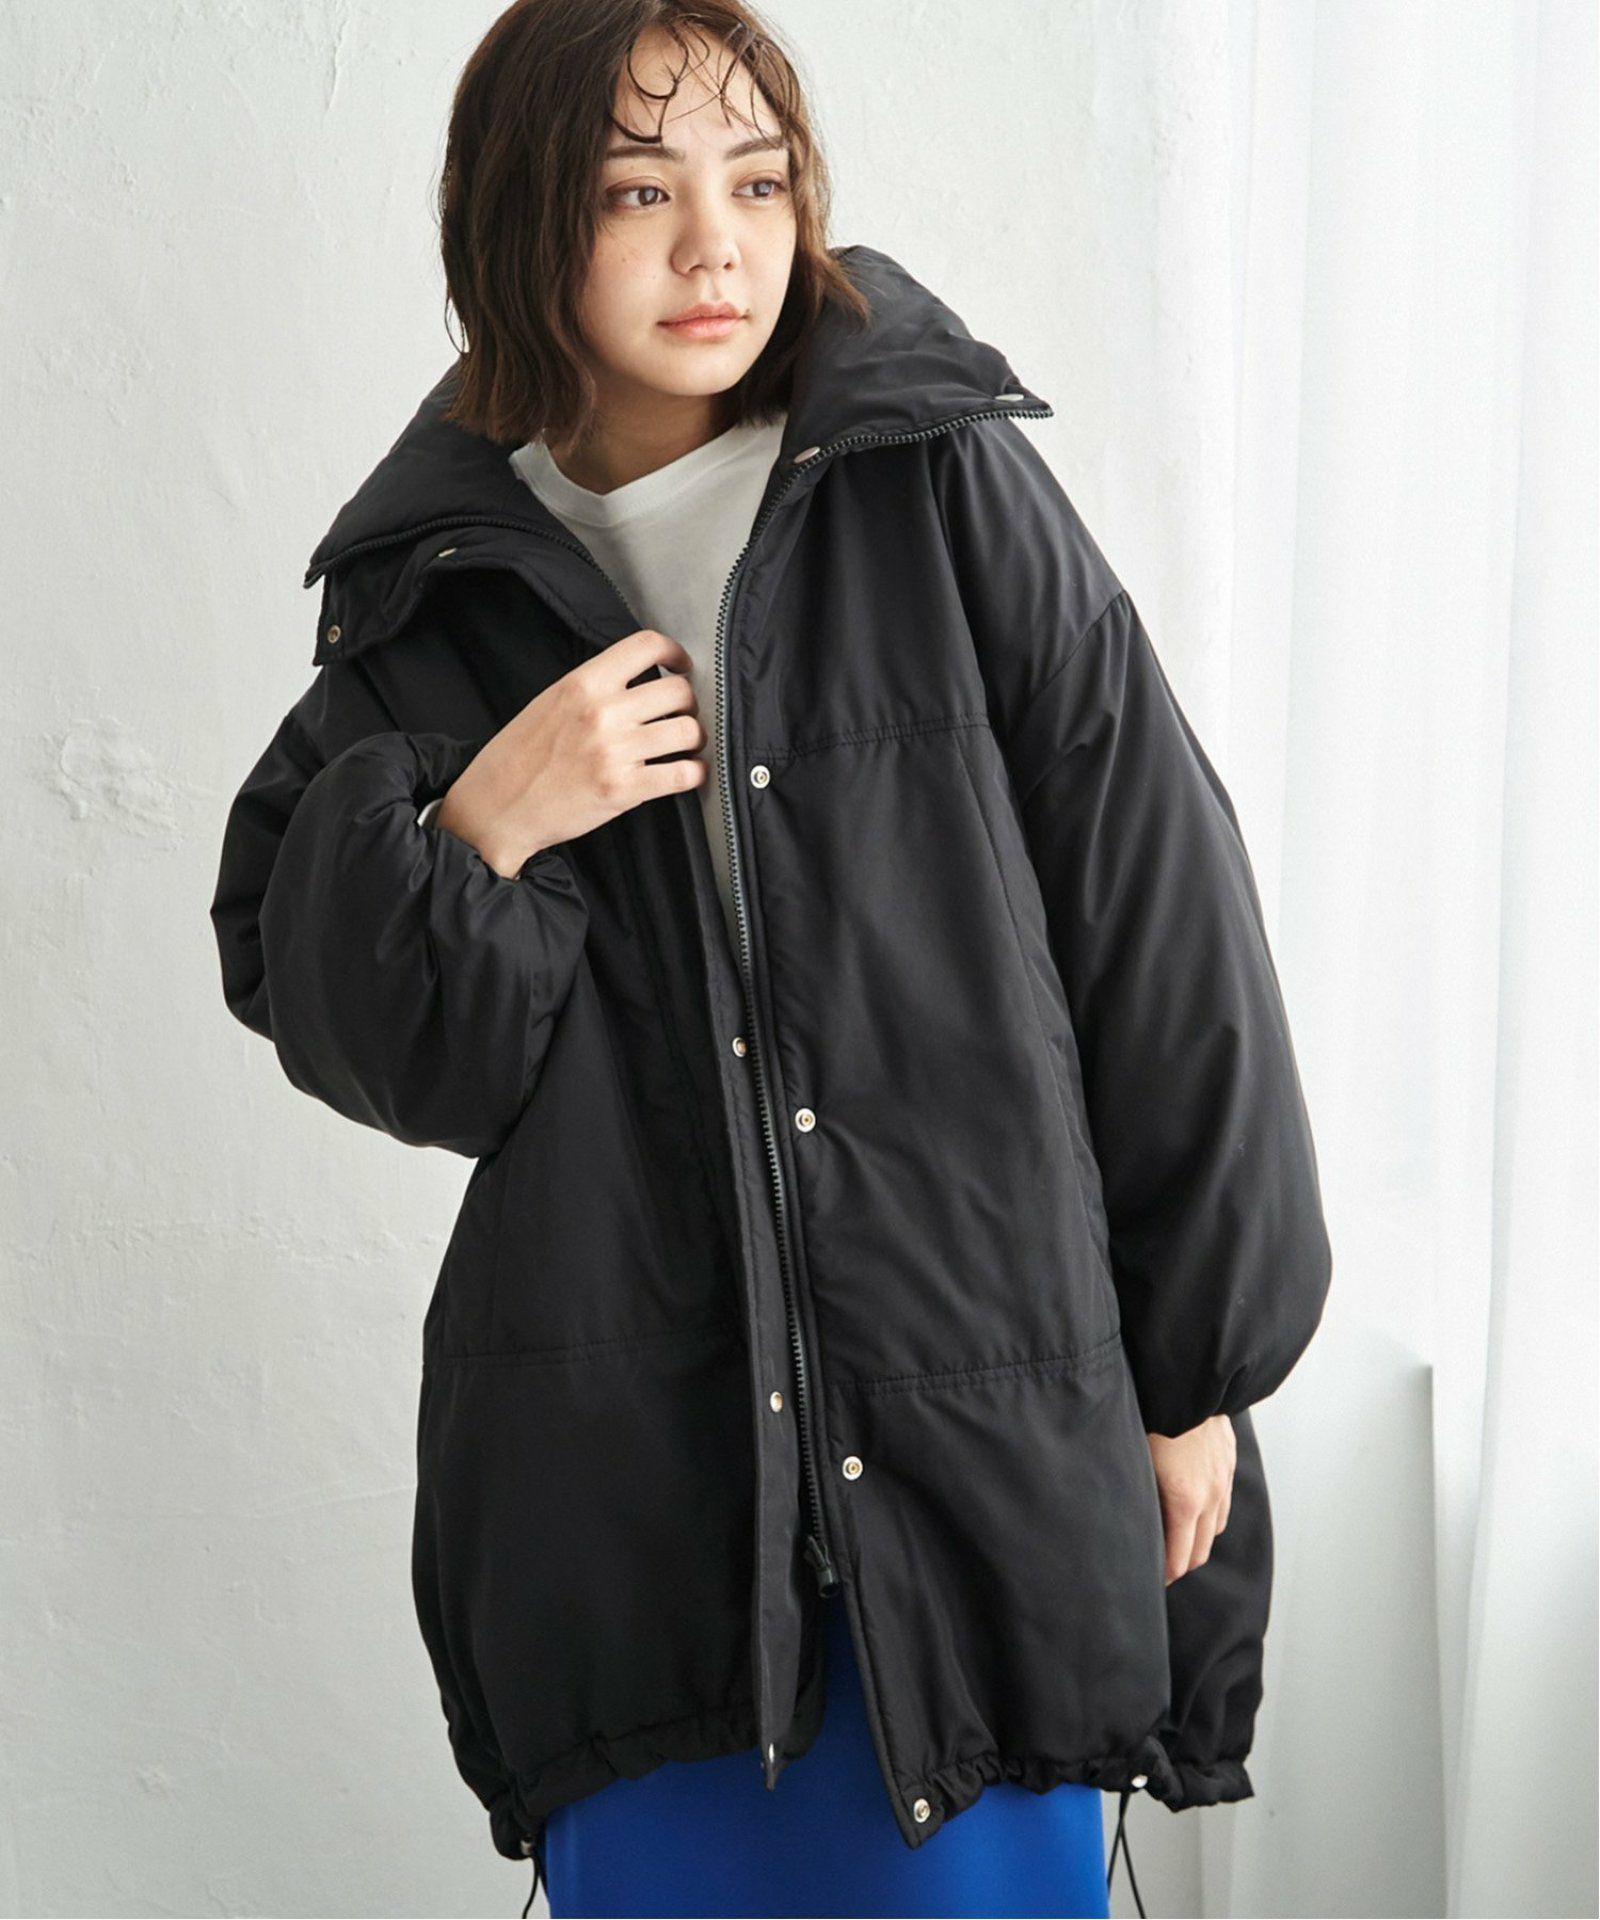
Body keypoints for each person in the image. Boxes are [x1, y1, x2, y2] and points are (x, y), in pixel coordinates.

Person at [209, 4, 1332, 1917]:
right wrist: (483, 827)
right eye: (636, 194)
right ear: (519, 223)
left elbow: (1161, 910)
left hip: (988, 1440)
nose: (716, 245)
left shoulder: (929, 475)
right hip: (637, 1520)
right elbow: (394, 1052)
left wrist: (1192, 1370)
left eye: (756, 180)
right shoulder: (436, 594)